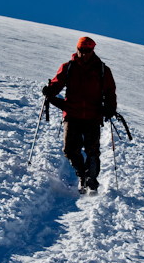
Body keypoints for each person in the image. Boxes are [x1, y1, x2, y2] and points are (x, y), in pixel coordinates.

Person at [42, 36, 117, 193]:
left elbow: (110, 91)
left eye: (88, 51)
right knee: (70, 149)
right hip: (72, 114)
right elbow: (57, 83)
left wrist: (110, 107)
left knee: (92, 150)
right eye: (82, 50)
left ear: (92, 50)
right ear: (77, 49)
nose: (85, 54)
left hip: (93, 115)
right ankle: (82, 176)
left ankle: (91, 181)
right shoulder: (69, 67)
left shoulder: (102, 69)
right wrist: (50, 91)